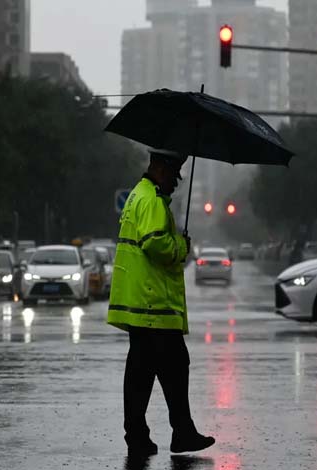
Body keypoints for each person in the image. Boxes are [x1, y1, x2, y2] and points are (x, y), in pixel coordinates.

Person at [108, 148, 215, 457]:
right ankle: (179, 433)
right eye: (174, 173)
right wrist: (181, 246)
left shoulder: (137, 195)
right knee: (174, 365)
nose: (176, 181)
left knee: (144, 370)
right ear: (161, 167)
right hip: (152, 303)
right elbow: (155, 242)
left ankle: (145, 436)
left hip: (142, 301)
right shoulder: (152, 199)